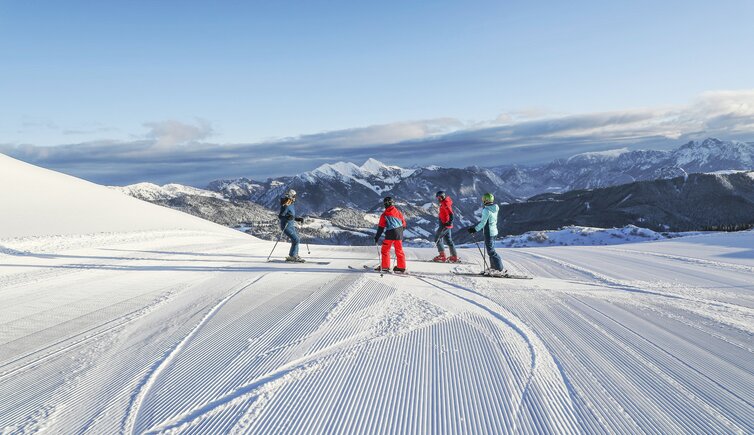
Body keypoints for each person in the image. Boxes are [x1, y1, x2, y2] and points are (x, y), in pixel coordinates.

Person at [467, 192, 505, 274]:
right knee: (491, 251)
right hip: (494, 231)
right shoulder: (496, 207)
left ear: (485, 200)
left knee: (491, 252)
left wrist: (474, 229)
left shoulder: (486, 210)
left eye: (483, 199)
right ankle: (493, 267)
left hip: (489, 233)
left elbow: (483, 223)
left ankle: (499, 268)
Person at [374, 196, 408, 273]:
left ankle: (385, 267)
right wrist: (399, 232)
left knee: (385, 250)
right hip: (399, 233)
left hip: (390, 234)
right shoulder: (398, 212)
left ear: (385, 204)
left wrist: (377, 237)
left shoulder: (384, 214)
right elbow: (404, 225)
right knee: (399, 250)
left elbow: (381, 228)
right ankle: (401, 267)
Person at [278, 189, 306, 262]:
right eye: (294, 196)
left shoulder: (291, 204)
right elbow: (280, 216)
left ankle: (294, 255)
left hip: (291, 225)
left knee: (296, 240)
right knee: (296, 239)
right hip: (286, 226)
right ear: (290, 195)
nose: (295, 197)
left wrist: (297, 219)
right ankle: (293, 256)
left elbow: (291, 216)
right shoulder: (286, 205)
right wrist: (287, 217)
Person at [432, 191, 460, 263]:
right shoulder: (443, 203)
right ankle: (454, 257)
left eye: (439, 197)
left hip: (445, 225)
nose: (438, 199)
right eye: (437, 197)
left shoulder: (445, 203)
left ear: (442, 197)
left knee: (437, 238)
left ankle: (442, 256)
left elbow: (451, 214)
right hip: (446, 225)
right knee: (448, 240)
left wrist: (449, 223)